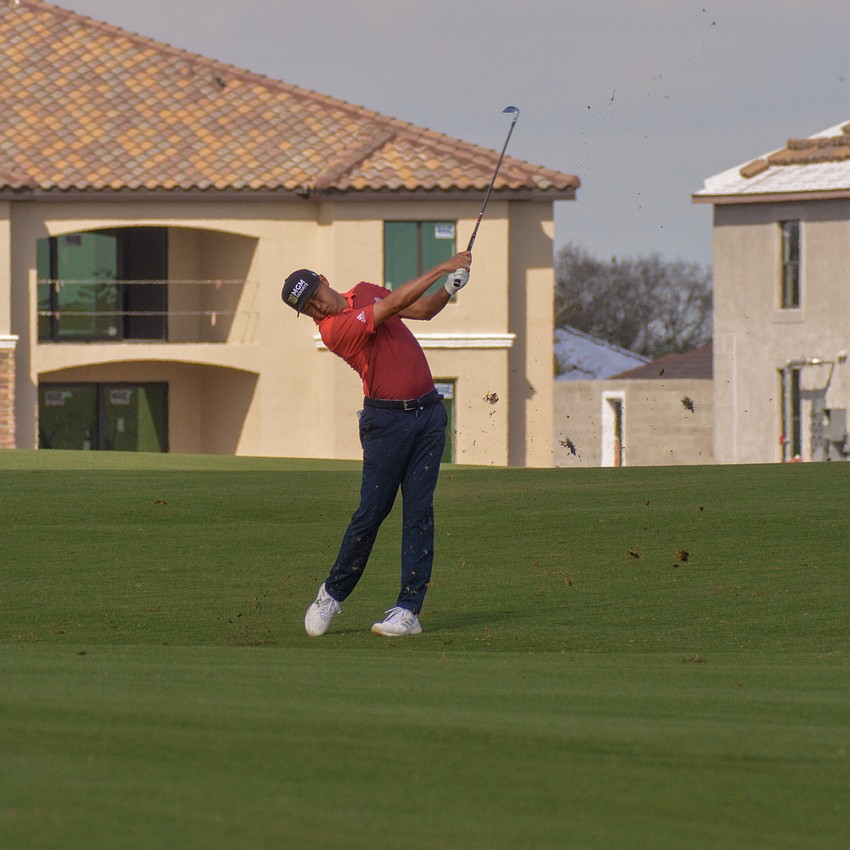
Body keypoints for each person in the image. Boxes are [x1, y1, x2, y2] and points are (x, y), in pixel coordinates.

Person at [281, 250, 472, 637]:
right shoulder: (334, 331)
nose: (318, 305)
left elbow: (421, 310)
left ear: (322, 278)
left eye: (315, 293)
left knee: (419, 512)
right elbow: (394, 305)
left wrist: (448, 289)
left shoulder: (365, 291)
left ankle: (408, 610)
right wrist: (442, 267)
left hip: (429, 414)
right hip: (386, 423)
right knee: (371, 512)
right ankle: (332, 593)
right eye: (309, 307)